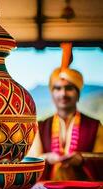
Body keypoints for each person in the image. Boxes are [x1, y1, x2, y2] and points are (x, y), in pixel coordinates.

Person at [28, 43, 103, 181]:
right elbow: (32, 160)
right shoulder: (41, 126)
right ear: (52, 94)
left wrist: (81, 159)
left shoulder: (94, 126)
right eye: (57, 88)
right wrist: (48, 158)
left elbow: (101, 159)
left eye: (69, 88)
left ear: (78, 93)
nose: (63, 94)